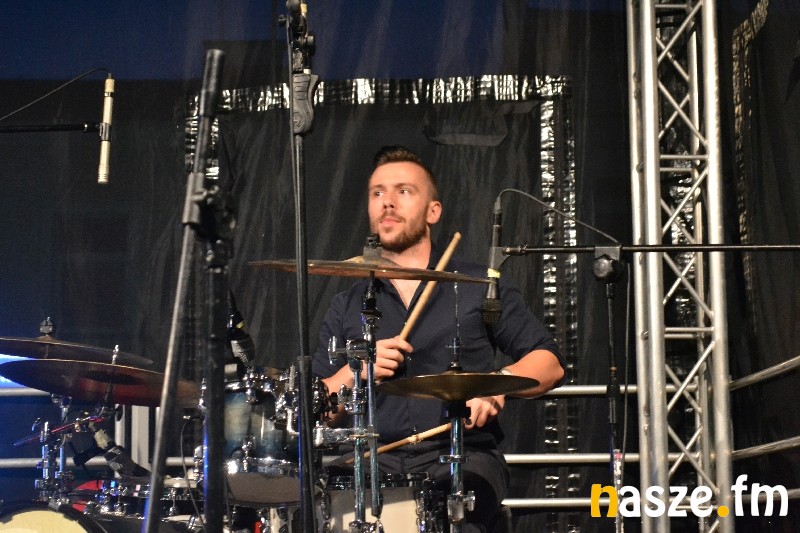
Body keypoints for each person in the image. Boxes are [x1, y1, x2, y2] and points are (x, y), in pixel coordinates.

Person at [312, 145, 565, 532]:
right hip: (371, 459)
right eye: (378, 192)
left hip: (459, 455)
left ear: (433, 211)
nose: (388, 202)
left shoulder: (479, 287)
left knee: (453, 497)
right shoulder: (347, 304)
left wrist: (497, 386)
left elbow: (549, 363)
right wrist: (355, 370)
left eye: (404, 191)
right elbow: (320, 410)